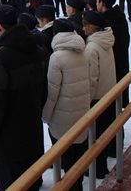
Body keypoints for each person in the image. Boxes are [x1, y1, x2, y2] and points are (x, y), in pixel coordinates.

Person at [0, 5, 47, 191]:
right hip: (32, 133)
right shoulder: (37, 49)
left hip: (8, 143)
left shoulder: (1, 59)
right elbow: (44, 90)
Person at [42, 19, 90, 191]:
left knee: (65, 158)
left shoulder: (56, 58)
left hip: (62, 118)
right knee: (77, 158)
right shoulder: (83, 52)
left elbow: (52, 93)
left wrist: (46, 116)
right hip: (81, 112)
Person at [82, 11, 116, 178]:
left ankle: (98, 167)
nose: (83, 28)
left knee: (96, 136)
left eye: (85, 25)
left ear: (91, 27)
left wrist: (87, 100)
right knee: (103, 132)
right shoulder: (106, 40)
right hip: (109, 91)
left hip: (97, 97)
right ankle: (100, 166)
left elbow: (92, 78)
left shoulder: (92, 47)